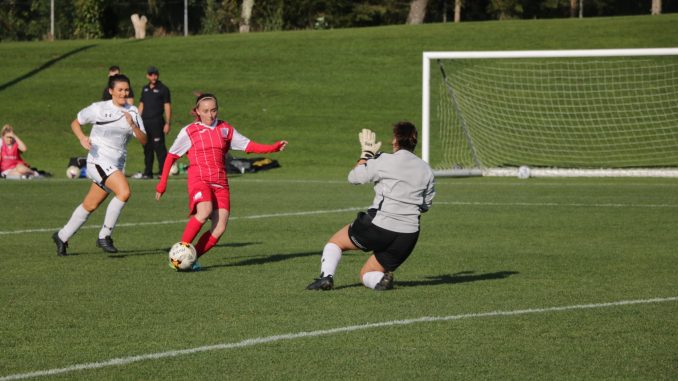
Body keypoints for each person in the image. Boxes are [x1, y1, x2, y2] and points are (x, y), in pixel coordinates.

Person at [155, 93, 287, 271]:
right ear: (197, 112)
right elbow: (171, 156)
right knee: (204, 211)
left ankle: (190, 260)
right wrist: (162, 184)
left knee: (219, 228)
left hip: (220, 183)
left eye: (214, 110)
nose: (211, 115)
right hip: (199, 179)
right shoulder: (189, 131)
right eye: (206, 111)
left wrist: (273, 147)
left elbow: (249, 146)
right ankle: (178, 255)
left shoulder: (225, 129)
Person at [306, 122, 435, 291]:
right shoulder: (426, 169)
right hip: (408, 234)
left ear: (395, 140)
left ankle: (326, 278)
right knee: (367, 273)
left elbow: (354, 178)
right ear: (414, 142)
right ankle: (381, 280)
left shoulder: (384, 159)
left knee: (336, 243)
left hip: (379, 225)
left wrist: (366, 155)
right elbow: (426, 205)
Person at [52, 74, 147, 256]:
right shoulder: (99, 108)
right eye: (120, 89)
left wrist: (133, 125)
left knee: (90, 205)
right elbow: (75, 122)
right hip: (97, 160)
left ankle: (62, 236)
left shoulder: (133, 111)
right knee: (124, 192)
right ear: (111, 91)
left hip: (115, 165)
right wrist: (82, 138)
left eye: (126, 89)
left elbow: (144, 140)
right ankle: (104, 235)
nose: (124, 93)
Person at [138, 66, 171, 179]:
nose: (153, 77)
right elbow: (141, 104)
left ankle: (163, 172)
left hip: (157, 122)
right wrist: (137, 120)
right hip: (145, 122)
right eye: (151, 74)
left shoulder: (163, 89)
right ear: (147, 76)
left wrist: (167, 123)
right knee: (147, 148)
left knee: (159, 147)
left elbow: (167, 106)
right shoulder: (145, 89)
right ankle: (148, 172)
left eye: (155, 74)